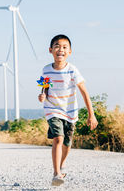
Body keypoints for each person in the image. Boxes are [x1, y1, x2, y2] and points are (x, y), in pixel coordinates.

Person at [38, 34, 98, 186]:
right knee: (58, 138)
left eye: (65, 47)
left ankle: (62, 164)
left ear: (70, 52)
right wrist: (42, 95)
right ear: (50, 50)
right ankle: (56, 172)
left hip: (70, 112)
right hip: (52, 109)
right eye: (57, 46)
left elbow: (84, 92)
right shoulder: (46, 70)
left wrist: (92, 115)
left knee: (67, 142)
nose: (61, 49)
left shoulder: (73, 70)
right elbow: (45, 88)